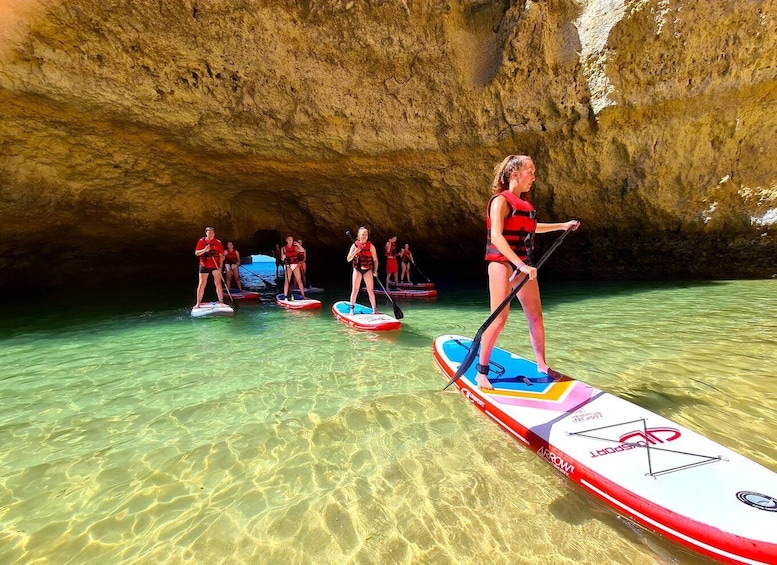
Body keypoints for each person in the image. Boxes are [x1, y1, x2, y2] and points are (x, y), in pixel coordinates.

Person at [476, 155, 580, 390]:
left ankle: (542, 364)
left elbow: (532, 227)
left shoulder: (526, 205)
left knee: (536, 317)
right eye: (530, 171)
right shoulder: (500, 201)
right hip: (502, 263)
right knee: (499, 319)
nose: (534, 176)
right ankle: (481, 372)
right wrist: (520, 265)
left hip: (523, 265)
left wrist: (562, 225)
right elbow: (497, 237)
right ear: (515, 174)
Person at [347, 226, 379, 314]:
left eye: (366, 235)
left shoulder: (371, 247)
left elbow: (375, 260)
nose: (365, 236)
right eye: (363, 234)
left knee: (370, 290)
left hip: (367, 270)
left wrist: (375, 271)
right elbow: (348, 259)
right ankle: (351, 309)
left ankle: (374, 310)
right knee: (355, 289)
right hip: (357, 270)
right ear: (359, 236)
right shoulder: (354, 245)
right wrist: (355, 252)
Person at [194, 226, 226, 307]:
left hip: (215, 266)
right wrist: (204, 250)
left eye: (212, 233)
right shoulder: (201, 241)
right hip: (204, 265)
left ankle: (221, 301)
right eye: (209, 233)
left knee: (218, 283)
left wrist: (220, 267)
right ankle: (198, 303)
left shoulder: (218, 242)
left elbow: (221, 256)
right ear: (206, 233)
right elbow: (197, 253)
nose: (211, 234)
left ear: (214, 234)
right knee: (202, 283)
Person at [281, 235, 307, 300]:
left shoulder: (295, 247)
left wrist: (298, 244)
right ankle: (285, 297)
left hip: (295, 265)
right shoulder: (283, 248)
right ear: (286, 240)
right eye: (289, 240)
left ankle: (303, 296)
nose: (290, 241)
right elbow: (282, 258)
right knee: (287, 281)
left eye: (291, 240)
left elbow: (302, 250)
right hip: (288, 266)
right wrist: (283, 258)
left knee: (299, 280)